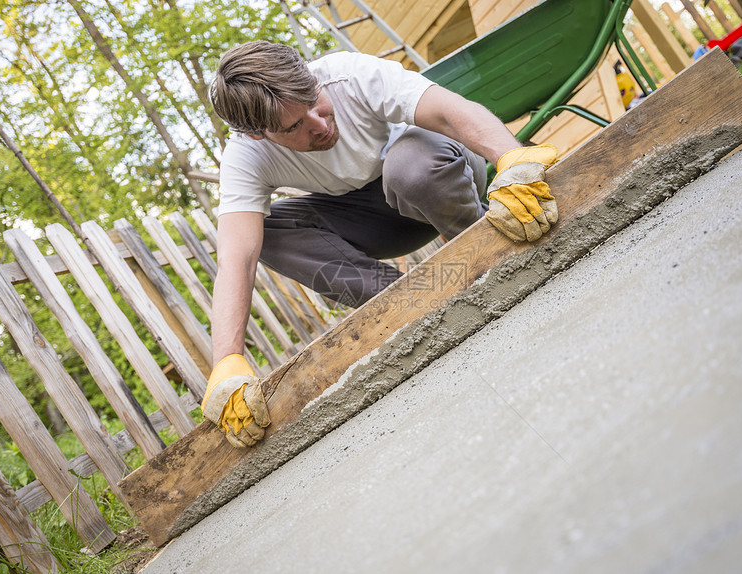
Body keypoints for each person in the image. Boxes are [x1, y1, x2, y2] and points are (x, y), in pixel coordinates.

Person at [200, 41, 559, 448]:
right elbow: (236, 259)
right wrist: (226, 361)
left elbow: (449, 111)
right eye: (294, 127)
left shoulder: (348, 75)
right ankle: (411, 306)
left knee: (409, 170)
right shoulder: (245, 156)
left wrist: (512, 160)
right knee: (268, 234)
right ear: (255, 134)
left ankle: (491, 249)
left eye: (314, 102)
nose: (318, 123)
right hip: (379, 218)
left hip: (436, 173)